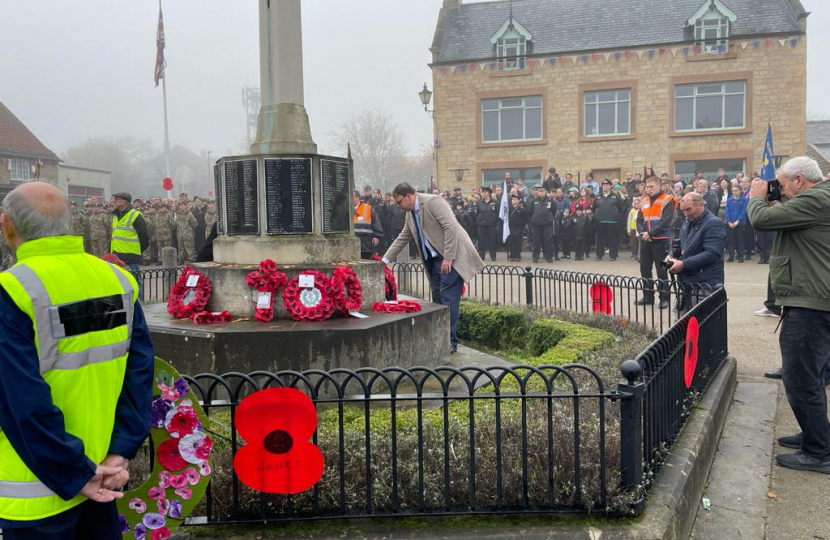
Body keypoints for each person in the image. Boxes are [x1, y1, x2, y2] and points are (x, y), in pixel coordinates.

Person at [0, 182, 154, 539]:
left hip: (36, 492)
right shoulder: (117, 279)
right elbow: (139, 373)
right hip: (103, 476)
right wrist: (120, 451)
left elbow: (22, 401)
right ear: (70, 222)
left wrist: (78, 472)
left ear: (7, 224)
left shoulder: (12, 291)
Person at [747, 156, 830, 473]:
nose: (777, 189)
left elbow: (761, 221)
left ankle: (819, 451)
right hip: (812, 300)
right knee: (811, 375)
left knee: (799, 377)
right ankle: (815, 434)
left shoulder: (816, 199)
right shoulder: (816, 199)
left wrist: (756, 198)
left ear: (799, 180)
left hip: (812, 304)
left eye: (781, 184)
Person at [384, 183, 484, 354]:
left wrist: (448, 257)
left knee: (448, 299)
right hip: (433, 260)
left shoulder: (434, 202)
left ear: (409, 196)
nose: (398, 207)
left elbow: (450, 227)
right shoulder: (410, 213)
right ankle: (440, 338)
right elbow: (403, 237)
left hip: (451, 257)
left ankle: (449, 342)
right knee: (438, 299)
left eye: (399, 202)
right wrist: (384, 261)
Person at [665, 193, 727, 313]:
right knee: (681, 325)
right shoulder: (687, 222)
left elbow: (712, 253)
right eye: (683, 210)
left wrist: (683, 264)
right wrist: (671, 256)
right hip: (686, 282)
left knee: (703, 324)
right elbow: (679, 244)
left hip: (705, 283)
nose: (686, 213)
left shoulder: (714, 223)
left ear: (701, 204)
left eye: (689, 209)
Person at [636, 177, 675, 309]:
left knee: (662, 270)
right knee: (644, 269)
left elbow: (666, 221)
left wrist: (650, 233)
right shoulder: (644, 201)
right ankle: (648, 297)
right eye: (647, 187)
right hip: (646, 240)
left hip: (661, 240)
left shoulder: (667, 199)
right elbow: (639, 220)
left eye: (651, 186)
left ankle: (665, 298)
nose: (649, 189)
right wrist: (642, 233)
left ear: (659, 186)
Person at [110, 193, 150, 300]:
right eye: (115, 199)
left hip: (131, 255)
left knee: (135, 282)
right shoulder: (115, 216)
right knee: (121, 282)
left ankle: (140, 304)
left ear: (125, 201)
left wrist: (138, 250)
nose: (115, 201)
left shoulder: (135, 215)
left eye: (118, 199)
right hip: (117, 255)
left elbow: (144, 236)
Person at [593, 179, 624, 261]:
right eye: (604, 185)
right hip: (601, 222)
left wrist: (618, 218)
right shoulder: (598, 197)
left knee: (612, 239)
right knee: (600, 239)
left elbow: (621, 209)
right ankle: (599, 255)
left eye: (607, 185)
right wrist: (597, 217)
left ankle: (613, 255)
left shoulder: (615, 196)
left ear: (610, 186)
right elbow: (594, 208)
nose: (605, 186)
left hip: (612, 221)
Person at [352, 190, 383, 260]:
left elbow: (376, 223)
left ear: (357, 197)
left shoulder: (368, 208)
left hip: (366, 243)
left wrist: (376, 236)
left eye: (352, 197)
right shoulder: (346, 209)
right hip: (351, 242)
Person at [475, 187, 498, 261]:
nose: (483, 193)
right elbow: (478, 213)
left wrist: (495, 221)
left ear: (489, 193)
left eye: (485, 192)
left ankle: (493, 255)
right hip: (482, 224)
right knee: (482, 240)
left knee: (492, 240)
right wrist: (479, 220)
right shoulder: (480, 203)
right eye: (483, 192)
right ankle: (481, 255)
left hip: (491, 224)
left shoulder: (495, 202)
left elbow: (497, 213)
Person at [724, 186, 747, 262]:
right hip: (730, 223)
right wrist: (729, 221)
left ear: (740, 191)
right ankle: (731, 256)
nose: (735, 192)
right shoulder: (729, 200)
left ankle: (740, 256)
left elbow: (744, 211)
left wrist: (738, 221)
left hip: (740, 223)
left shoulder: (744, 199)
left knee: (740, 240)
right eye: (733, 191)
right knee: (731, 240)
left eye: (736, 190)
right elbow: (727, 211)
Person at [506, 195, 529, 261]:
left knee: (517, 242)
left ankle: (517, 255)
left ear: (518, 200)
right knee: (511, 241)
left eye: (515, 199)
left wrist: (522, 225)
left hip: (518, 227)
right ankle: (512, 255)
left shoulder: (521, 208)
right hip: (510, 227)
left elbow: (525, 218)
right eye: (512, 199)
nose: (513, 201)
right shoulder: (509, 208)